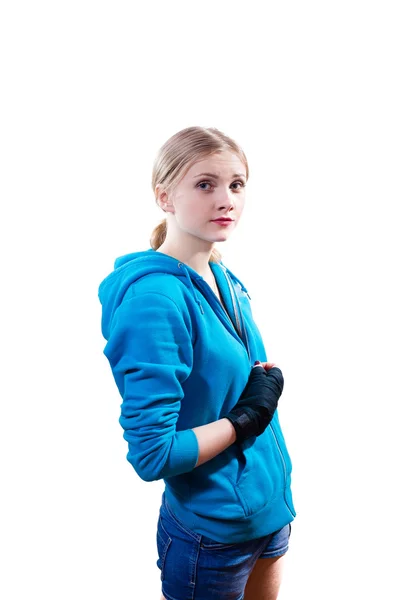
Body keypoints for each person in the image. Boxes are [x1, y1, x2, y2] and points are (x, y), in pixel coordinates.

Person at [98, 126, 296, 600]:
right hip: (212, 535)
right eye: (205, 184)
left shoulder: (221, 273)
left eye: (236, 184)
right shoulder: (154, 300)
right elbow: (153, 455)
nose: (225, 199)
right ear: (165, 197)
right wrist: (246, 418)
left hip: (268, 512)